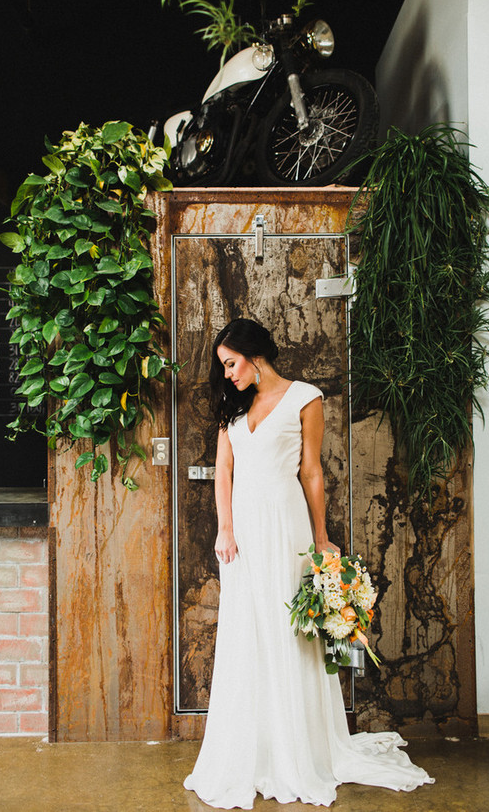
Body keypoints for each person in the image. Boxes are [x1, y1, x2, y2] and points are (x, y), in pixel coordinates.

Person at [184, 318, 434, 809]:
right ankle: (251, 747)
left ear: (255, 355)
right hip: (242, 536)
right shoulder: (232, 409)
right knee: (246, 630)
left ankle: (296, 747)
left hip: (285, 524)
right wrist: (225, 527)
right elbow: (224, 472)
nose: (227, 374)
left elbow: (312, 472)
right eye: (223, 367)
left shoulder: (305, 398)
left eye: (231, 363)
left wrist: (322, 539)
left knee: (286, 630)